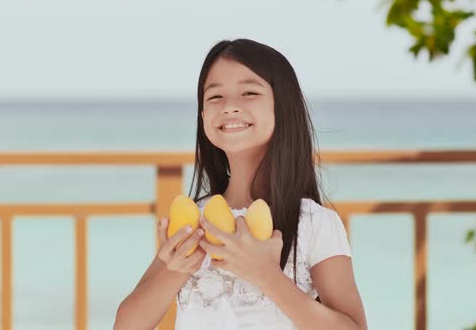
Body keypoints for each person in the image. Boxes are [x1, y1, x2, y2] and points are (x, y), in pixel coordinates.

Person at [114, 38, 368, 330]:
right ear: (202, 115)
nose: (230, 106)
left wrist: (266, 276)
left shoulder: (315, 223)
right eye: (215, 97)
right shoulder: (195, 221)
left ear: (283, 107)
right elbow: (126, 325)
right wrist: (176, 270)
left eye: (249, 92)